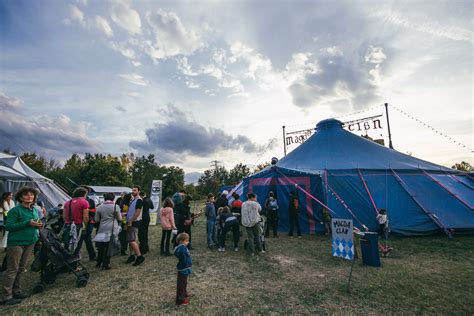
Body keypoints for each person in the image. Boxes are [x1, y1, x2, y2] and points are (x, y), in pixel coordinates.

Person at [1, 187, 42, 305]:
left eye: (31, 195)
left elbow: (34, 223)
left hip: (30, 242)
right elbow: (9, 226)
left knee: (21, 268)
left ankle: (17, 291)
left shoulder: (33, 210)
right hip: (17, 243)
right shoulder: (15, 210)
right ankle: (6, 296)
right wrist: (27, 223)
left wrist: (38, 225)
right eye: (26, 195)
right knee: (12, 269)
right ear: (20, 197)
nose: (29, 196)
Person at [93, 193, 122, 270]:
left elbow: (96, 220)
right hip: (112, 228)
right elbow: (119, 218)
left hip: (102, 228)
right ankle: (106, 263)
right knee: (109, 246)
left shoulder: (99, 207)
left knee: (101, 246)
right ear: (113, 198)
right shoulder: (116, 207)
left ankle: (99, 262)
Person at [63, 187, 94, 257]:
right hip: (78, 225)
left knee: (67, 244)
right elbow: (85, 217)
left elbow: (64, 216)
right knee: (77, 245)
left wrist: (67, 222)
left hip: (68, 225)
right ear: (83, 194)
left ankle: (66, 260)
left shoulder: (68, 202)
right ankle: (74, 263)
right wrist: (85, 226)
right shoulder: (84, 202)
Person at [125, 186, 145, 266]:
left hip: (134, 222)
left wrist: (131, 221)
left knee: (132, 240)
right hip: (130, 221)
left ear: (139, 191)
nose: (133, 191)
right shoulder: (133, 200)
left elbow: (137, 212)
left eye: (135, 190)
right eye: (132, 190)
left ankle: (139, 256)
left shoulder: (139, 200)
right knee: (130, 240)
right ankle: (132, 255)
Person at [174, 232, 192, 306]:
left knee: (184, 282)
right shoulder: (182, 249)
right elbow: (185, 259)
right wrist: (188, 265)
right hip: (183, 268)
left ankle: (184, 293)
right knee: (181, 284)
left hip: (184, 268)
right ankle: (180, 300)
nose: (188, 242)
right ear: (182, 241)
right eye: (187, 241)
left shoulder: (181, 248)